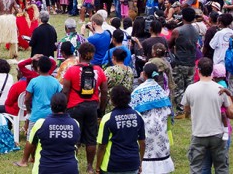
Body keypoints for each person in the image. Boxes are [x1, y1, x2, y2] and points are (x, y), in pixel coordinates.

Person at [181, 58, 233, 174]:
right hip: (218, 134)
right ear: (212, 71)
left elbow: (186, 110)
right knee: (221, 167)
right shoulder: (220, 90)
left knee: (197, 167)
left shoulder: (190, 89)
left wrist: (188, 113)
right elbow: (231, 112)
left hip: (199, 134)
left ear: (198, 70)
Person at [61, 42, 108, 174]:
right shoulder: (98, 70)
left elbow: (65, 91)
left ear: (79, 54)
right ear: (92, 56)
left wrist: (64, 108)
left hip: (74, 106)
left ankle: (73, 164)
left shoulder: (71, 70)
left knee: (74, 137)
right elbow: (104, 91)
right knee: (91, 138)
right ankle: (89, 167)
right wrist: (101, 109)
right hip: (92, 106)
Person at [15, 56, 63, 168]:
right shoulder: (55, 82)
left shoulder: (34, 81)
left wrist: (28, 109)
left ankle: (25, 160)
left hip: (36, 114)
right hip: (52, 114)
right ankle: (48, 158)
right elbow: (60, 97)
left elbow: (27, 98)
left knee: (31, 138)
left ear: (38, 68)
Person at [15, 92, 80, 173]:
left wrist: (29, 158)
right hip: (70, 168)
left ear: (51, 106)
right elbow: (75, 147)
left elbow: (31, 144)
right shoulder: (75, 123)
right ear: (66, 106)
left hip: (45, 168)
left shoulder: (40, 123)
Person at [130, 63, 174, 174]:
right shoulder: (161, 92)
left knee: (145, 158)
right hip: (160, 131)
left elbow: (132, 112)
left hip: (144, 131)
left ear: (143, 74)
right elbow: (168, 112)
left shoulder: (137, 92)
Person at [96, 85, 146, 174]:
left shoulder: (107, 118)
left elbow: (102, 146)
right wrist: (140, 163)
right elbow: (142, 143)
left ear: (112, 100)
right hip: (133, 164)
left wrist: (97, 166)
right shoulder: (138, 116)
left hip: (112, 165)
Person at [169, 7, 198, 116]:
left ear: (183, 17)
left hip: (180, 62)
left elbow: (169, 44)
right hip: (191, 62)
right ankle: (189, 109)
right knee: (189, 87)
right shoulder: (196, 30)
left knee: (179, 88)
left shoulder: (178, 31)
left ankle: (181, 111)